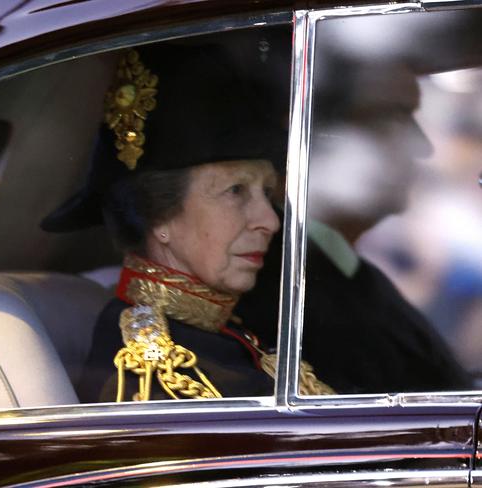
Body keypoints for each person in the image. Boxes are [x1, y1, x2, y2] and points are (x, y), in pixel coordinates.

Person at [42, 34, 470, 403]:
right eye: (235, 191)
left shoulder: (230, 336)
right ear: (158, 216)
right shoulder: (152, 366)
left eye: (267, 193)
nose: (270, 220)